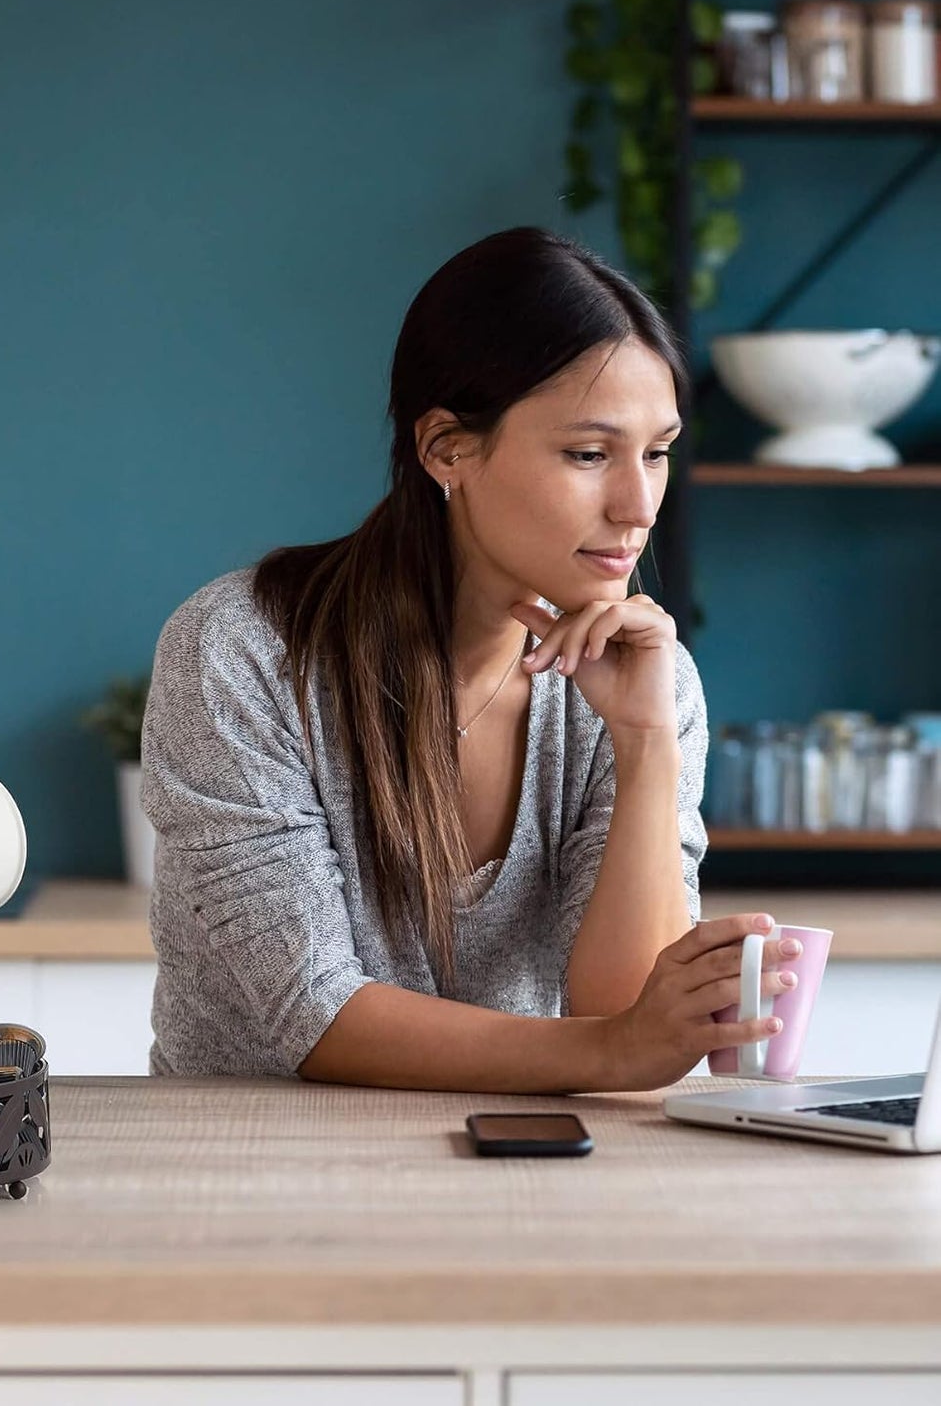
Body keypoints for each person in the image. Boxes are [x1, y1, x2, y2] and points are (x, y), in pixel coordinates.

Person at [140, 226, 801, 1092]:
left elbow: (623, 1009)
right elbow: (312, 1012)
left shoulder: (648, 679)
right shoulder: (242, 650)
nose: (638, 504)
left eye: (657, 452)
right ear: (446, 448)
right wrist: (612, 1050)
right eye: (588, 453)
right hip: (248, 1172)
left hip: (511, 1163)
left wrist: (644, 744)